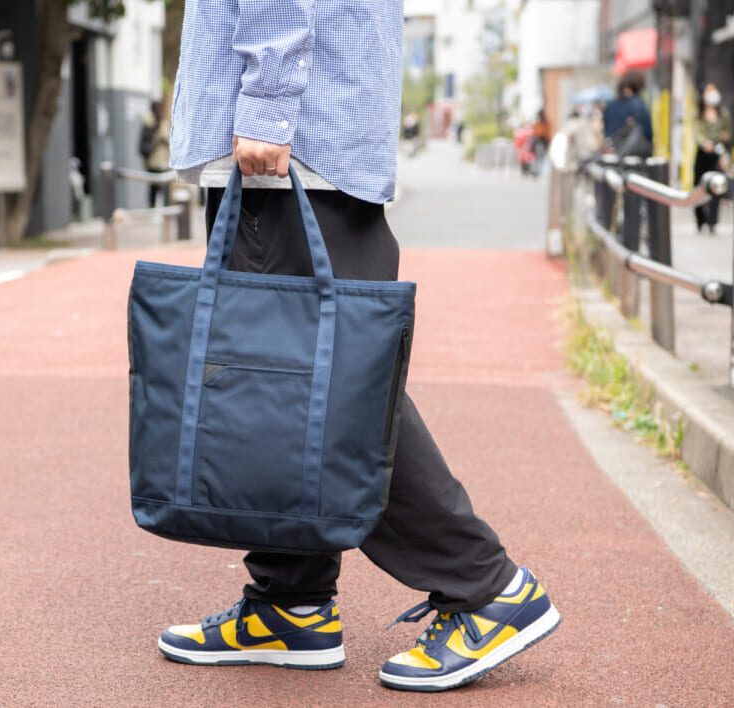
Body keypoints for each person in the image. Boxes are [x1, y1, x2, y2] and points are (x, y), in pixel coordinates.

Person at [159, 0, 560, 693]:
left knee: (336, 392)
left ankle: (487, 588)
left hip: (291, 139)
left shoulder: (276, 115)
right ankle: (291, 602)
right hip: (316, 135)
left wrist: (267, 102)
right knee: (288, 389)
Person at [693, 83, 732, 233]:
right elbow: (697, 133)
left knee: (717, 186)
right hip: (703, 154)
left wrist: (724, 136)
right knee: (699, 186)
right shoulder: (699, 115)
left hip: (717, 153)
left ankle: (712, 222)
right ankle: (700, 220)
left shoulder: (723, 114)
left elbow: (729, 132)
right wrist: (705, 143)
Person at [602, 70, 652, 158]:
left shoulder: (610, 105)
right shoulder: (638, 105)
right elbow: (648, 133)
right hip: (633, 156)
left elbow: (606, 130)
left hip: (612, 154)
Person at [139, 99, 172, 206]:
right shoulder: (149, 124)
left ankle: (164, 212)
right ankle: (153, 210)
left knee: (164, 191)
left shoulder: (163, 123)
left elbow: (169, 141)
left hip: (163, 163)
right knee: (154, 190)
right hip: (153, 163)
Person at [530, 108, 552, 173]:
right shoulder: (539, 124)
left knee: (540, 157)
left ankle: (538, 171)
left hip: (541, 142)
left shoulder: (543, 124)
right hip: (539, 142)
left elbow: (538, 133)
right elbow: (535, 132)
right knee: (539, 157)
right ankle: (537, 170)